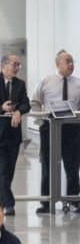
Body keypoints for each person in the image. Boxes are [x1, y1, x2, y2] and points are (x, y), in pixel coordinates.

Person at [34, 50, 80, 213]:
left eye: (72, 61)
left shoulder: (77, 83)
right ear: (58, 64)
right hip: (50, 127)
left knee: (73, 165)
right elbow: (36, 102)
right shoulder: (46, 80)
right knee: (48, 164)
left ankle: (74, 200)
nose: (71, 64)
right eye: (67, 61)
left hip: (72, 129)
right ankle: (46, 202)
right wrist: (40, 122)